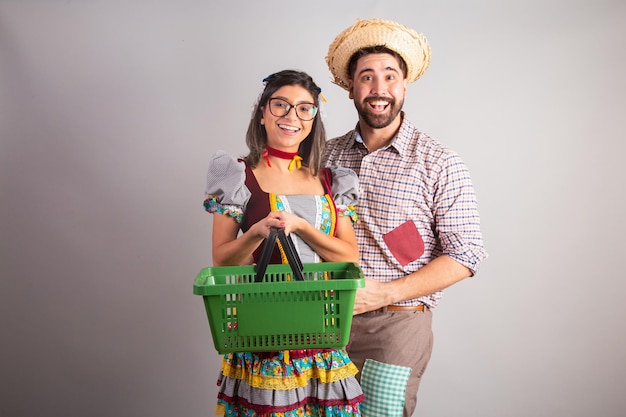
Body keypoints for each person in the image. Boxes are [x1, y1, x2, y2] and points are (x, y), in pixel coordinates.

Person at [323, 18, 488, 417]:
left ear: (405, 84)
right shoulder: (324, 157)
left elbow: (467, 254)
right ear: (350, 89)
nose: (379, 89)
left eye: (389, 76)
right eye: (366, 77)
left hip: (395, 327)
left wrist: (385, 293)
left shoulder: (439, 162)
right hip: (324, 322)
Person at [203, 69, 364, 416]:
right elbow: (222, 261)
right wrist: (258, 231)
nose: (292, 116)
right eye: (281, 105)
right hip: (264, 337)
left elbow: (350, 256)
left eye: (305, 108)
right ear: (262, 113)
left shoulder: (332, 179)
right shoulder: (237, 175)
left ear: (313, 118)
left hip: (323, 334)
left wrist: (303, 227)